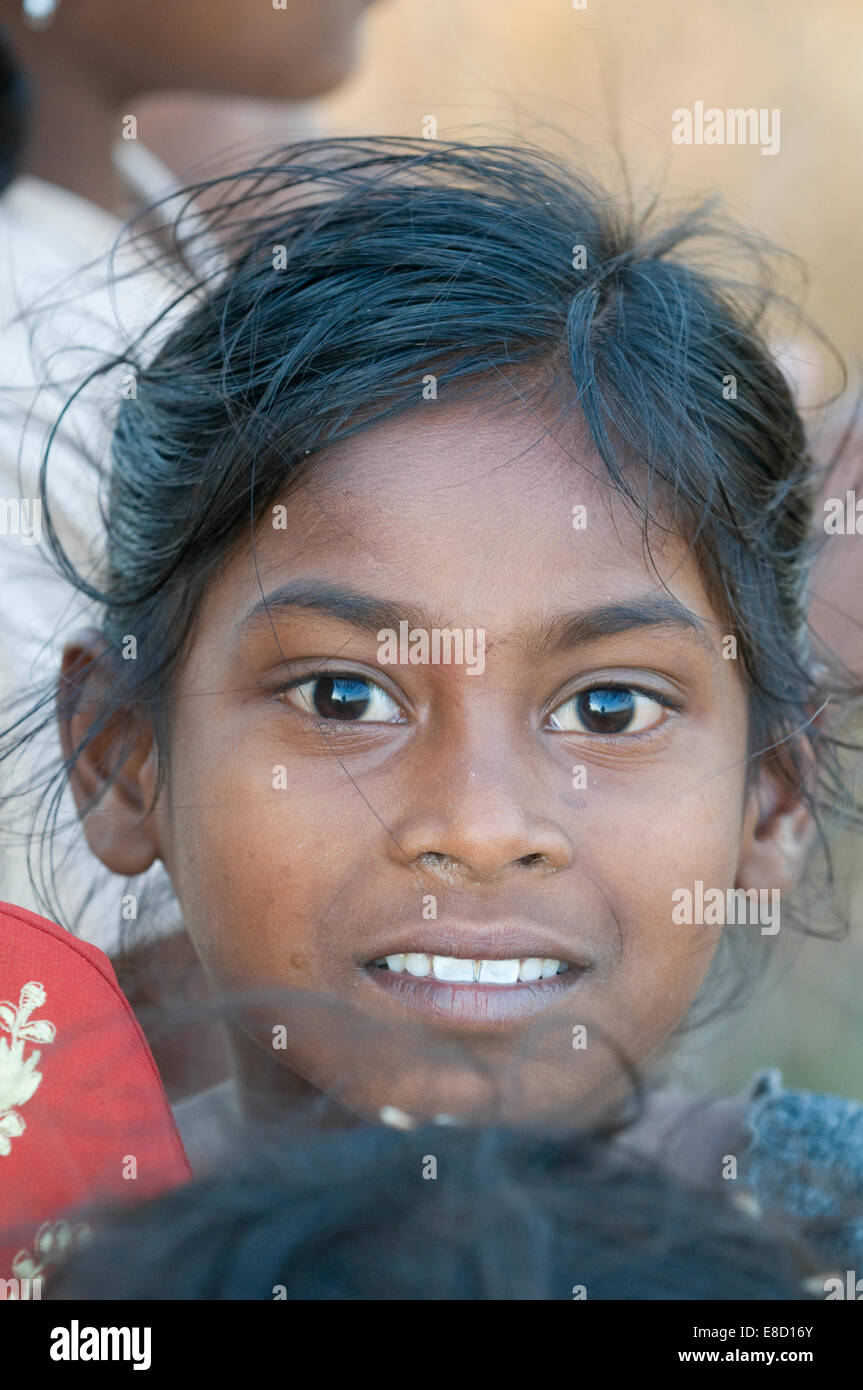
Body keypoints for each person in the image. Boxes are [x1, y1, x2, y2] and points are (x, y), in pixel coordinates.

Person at [2, 136, 863, 1266]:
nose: (478, 825)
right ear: (123, 757)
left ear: (769, 796)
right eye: (344, 694)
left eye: (607, 710)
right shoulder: (47, 1256)